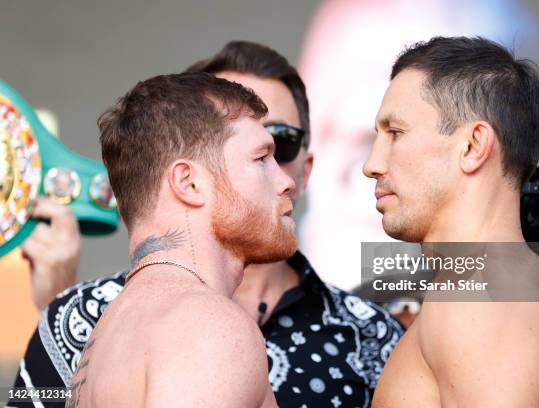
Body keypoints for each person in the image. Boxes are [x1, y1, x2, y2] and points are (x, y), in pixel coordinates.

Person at [9, 42, 403, 408]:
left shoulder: (109, 332)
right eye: (261, 156)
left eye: (282, 145)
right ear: (189, 182)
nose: (282, 178)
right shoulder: (211, 326)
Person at [364, 36, 539, 407]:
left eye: (395, 133)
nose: (371, 165)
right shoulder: (521, 281)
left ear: (474, 145)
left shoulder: (477, 296)